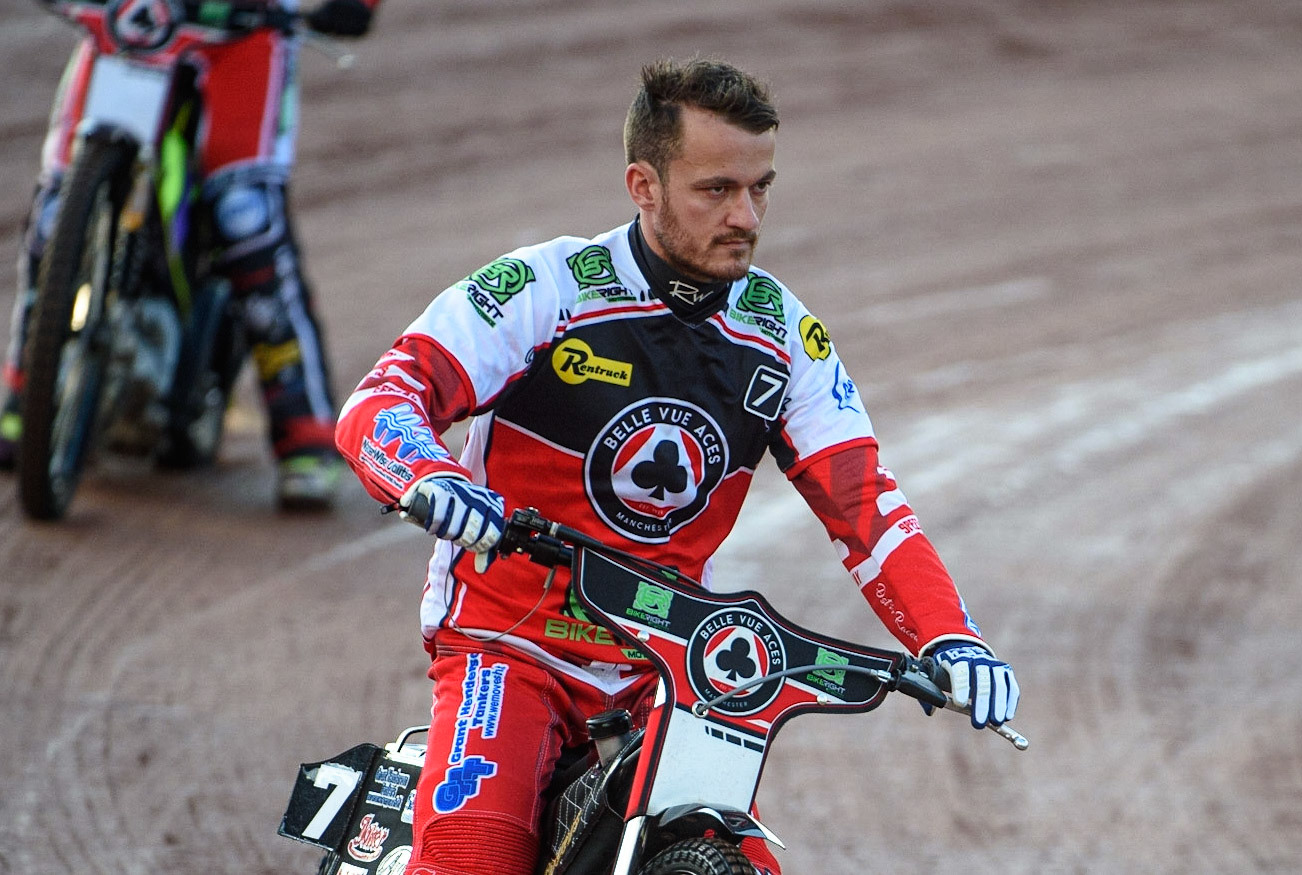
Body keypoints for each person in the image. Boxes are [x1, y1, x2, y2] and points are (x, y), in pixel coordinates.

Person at [335, 58, 1021, 875]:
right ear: (644, 184)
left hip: (667, 665)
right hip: (509, 644)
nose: (747, 215)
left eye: (761, 187)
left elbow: (865, 504)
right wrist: (429, 477)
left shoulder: (782, 335)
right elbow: (383, 397)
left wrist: (952, 636)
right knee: (473, 861)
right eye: (717, 189)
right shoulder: (547, 288)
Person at [0, 0, 381, 510]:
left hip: (241, 36)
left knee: (246, 218)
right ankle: (24, 398)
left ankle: (304, 430)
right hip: (132, 22)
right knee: (54, 211)